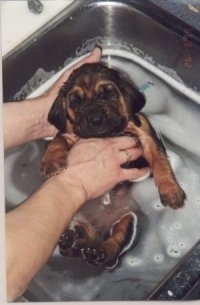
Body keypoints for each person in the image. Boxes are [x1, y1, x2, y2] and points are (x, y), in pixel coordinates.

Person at [4, 48, 149, 301]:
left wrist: (42, 118)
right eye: (77, 101)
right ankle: (87, 234)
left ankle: (107, 243)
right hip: (82, 205)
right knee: (95, 219)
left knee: (127, 218)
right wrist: (74, 182)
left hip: (124, 198)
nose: (92, 112)